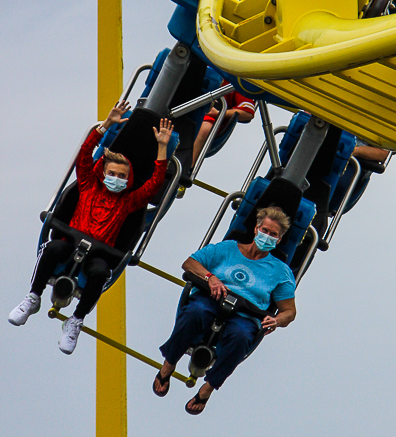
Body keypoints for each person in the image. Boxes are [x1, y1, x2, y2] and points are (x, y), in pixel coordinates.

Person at [8, 101, 173, 355]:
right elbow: (84, 155)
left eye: (122, 176)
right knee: (52, 249)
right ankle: (33, 297)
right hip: (69, 242)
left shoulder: (129, 201)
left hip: (99, 254)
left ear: (128, 180)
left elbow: (154, 183)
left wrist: (162, 147)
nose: (116, 179)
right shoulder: (88, 185)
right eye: (112, 173)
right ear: (103, 173)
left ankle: (76, 320)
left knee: (99, 272)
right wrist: (105, 125)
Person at [153, 205, 296, 414]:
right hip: (212, 298)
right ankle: (168, 365)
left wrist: (277, 320)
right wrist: (210, 278)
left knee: (241, 336)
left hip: (246, 313)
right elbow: (190, 263)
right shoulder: (227, 248)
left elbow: (289, 311)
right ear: (256, 229)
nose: (267, 236)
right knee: (195, 313)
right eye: (265, 230)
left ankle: (208, 388)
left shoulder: (280, 271)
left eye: (273, 234)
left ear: (279, 239)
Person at [192, 82, 255, 166]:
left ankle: (188, 167)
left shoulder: (236, 82)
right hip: (185, 109)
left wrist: (218, 113)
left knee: (205, 128)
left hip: (209, 119)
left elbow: (248, 112)